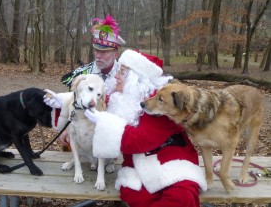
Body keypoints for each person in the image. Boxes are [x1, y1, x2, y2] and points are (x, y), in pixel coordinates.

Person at [84, 49, 207, 207]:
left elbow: (139, 140)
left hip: (171, 160)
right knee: (137, 196)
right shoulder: (117, 98)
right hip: (136, 166)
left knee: (181, 196)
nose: (116, 76)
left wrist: (105, 122)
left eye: (121, 72)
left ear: (136, 79)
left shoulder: (160, 101)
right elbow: (82, 101)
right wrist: (65, 118)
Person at [58, 14, 126, 148]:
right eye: (96, 51)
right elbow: (72, 101)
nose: (98, 55)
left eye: (104, 52)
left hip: (116, 136)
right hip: (85, 134)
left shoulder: (125, 75)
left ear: (115, 54)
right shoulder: (82, 74)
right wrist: (65, 127)